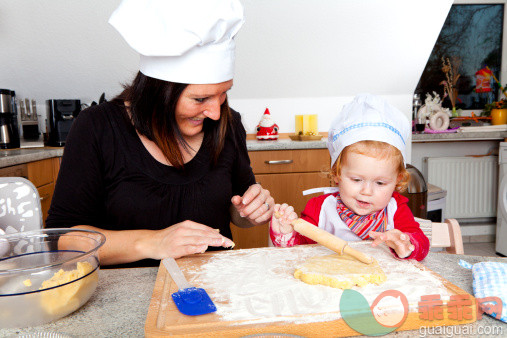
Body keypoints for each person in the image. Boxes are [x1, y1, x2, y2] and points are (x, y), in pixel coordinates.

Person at [46, 0, 274, 268]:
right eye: (201, 98)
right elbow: (63, 240)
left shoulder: (228, 122)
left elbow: (237, 211)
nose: (215, 111)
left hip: (213, 287)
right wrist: (154, 242)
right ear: (159, 92)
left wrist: (250, 211)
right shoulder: (97, 128)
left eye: (224, 93)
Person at [271, 94, 430, 261]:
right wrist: (286, 233)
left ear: (397, 179)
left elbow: (421, 244)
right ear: (337, 173)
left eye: (380, 182)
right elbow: (298, 250)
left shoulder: (396, 210)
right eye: (356, 180)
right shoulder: (320, 210)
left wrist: (406, 244)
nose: (366, 191)